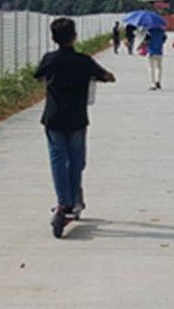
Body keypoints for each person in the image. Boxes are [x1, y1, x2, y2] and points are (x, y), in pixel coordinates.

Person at [34, 17, 116, 238]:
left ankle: (64, 202)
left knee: (58, 161)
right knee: (76, 161)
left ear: (54, 38)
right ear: (74, 37)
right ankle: (72, 200)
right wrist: (102, 78)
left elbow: (38, 75)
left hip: (53, 119)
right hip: (77, 119)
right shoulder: (84, 61)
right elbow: (107, 76)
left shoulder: (50, 59)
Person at [146, 25, 167, 90]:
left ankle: (153, 83)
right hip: (159, 51)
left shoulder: (149, 30)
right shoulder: (162, 31)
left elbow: (146, 40)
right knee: (159, 67)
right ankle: (158, 81)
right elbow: (164, 39)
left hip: (151, 51)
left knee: (151, 68)